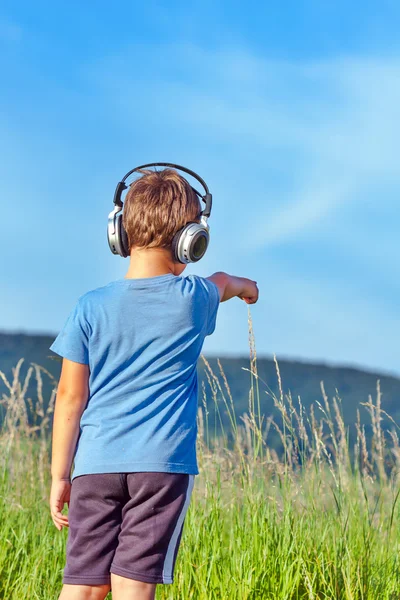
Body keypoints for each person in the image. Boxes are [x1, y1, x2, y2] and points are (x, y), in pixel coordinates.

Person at [48, 166, 259, 600]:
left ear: (120, 234)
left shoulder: (89, 307)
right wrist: (247, 288)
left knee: (82, 587)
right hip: (161, 469)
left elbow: (70, 398)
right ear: (192, 241)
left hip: (94, 467)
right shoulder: (194, 299)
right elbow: (224, 282)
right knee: (134, 586)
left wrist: (59, 475)